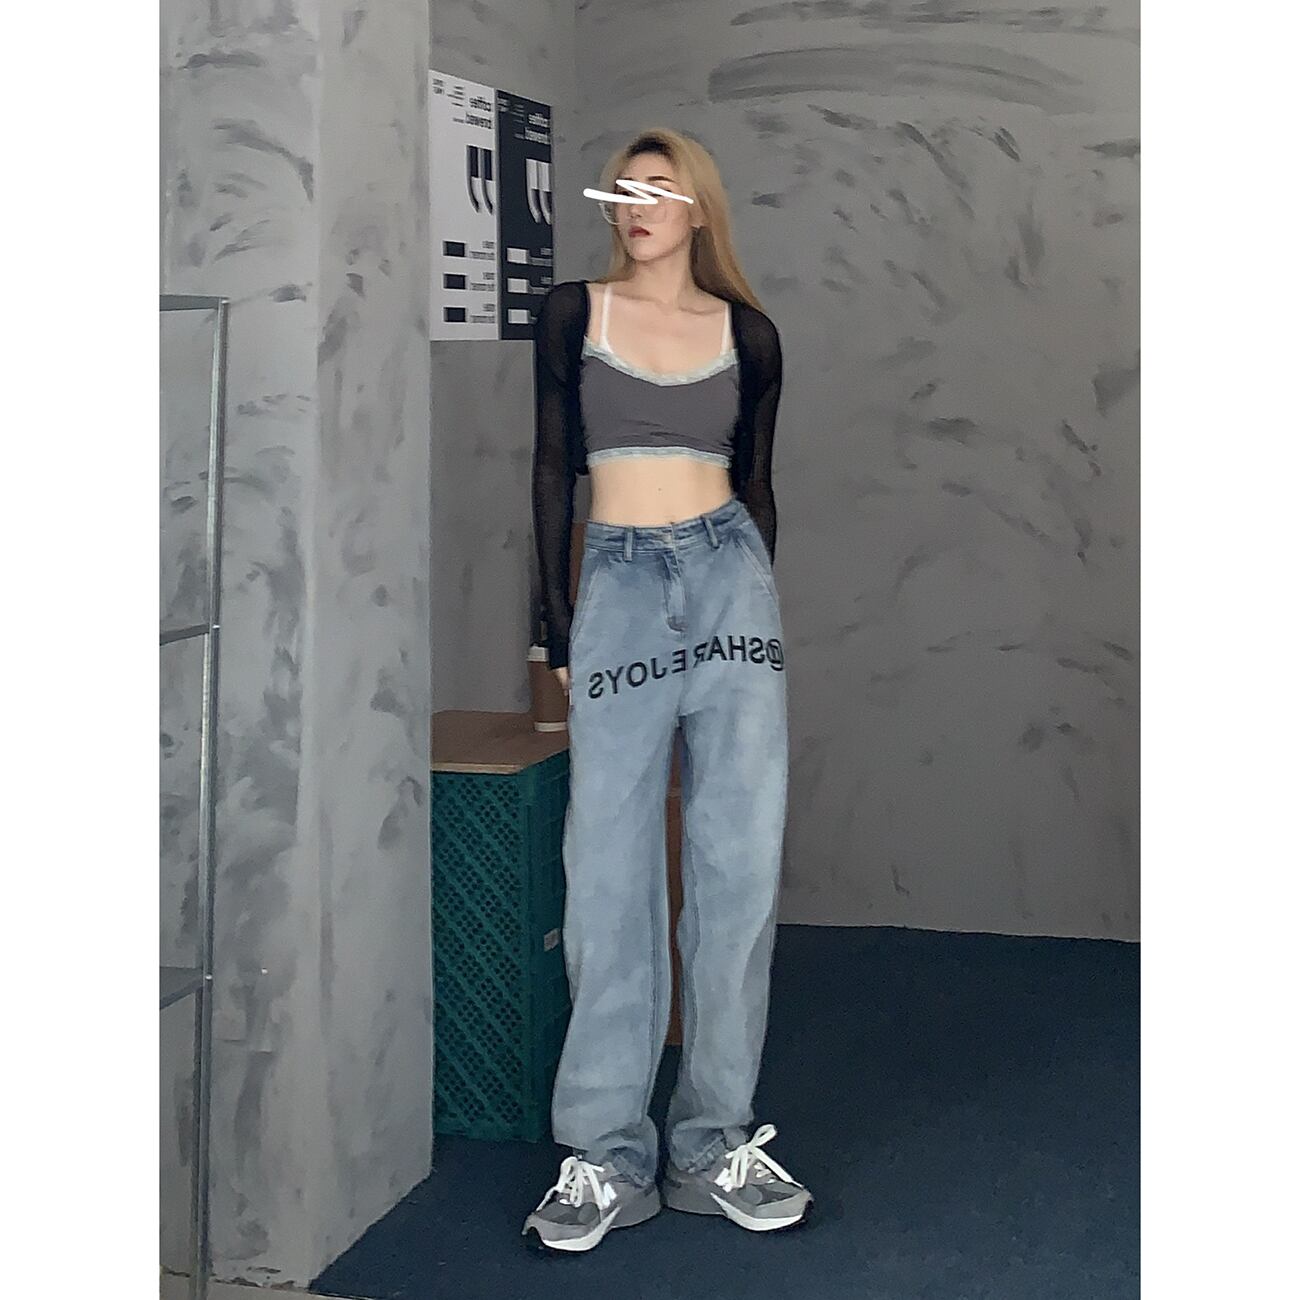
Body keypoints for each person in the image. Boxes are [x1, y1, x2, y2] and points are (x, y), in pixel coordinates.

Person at [523, 127, 812, 1253]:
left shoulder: (750, 334)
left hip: (730, 578)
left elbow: (760, 485)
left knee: (738, 863)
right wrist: (553, 623)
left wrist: (749, 609)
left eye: (659, 188)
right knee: (606, 868)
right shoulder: (573, 314)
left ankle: (712, 1141)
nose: (635, 205)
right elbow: (552, 468)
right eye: (623, 191)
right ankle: (605, 1153)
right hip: (619, 585)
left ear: (698, 208)